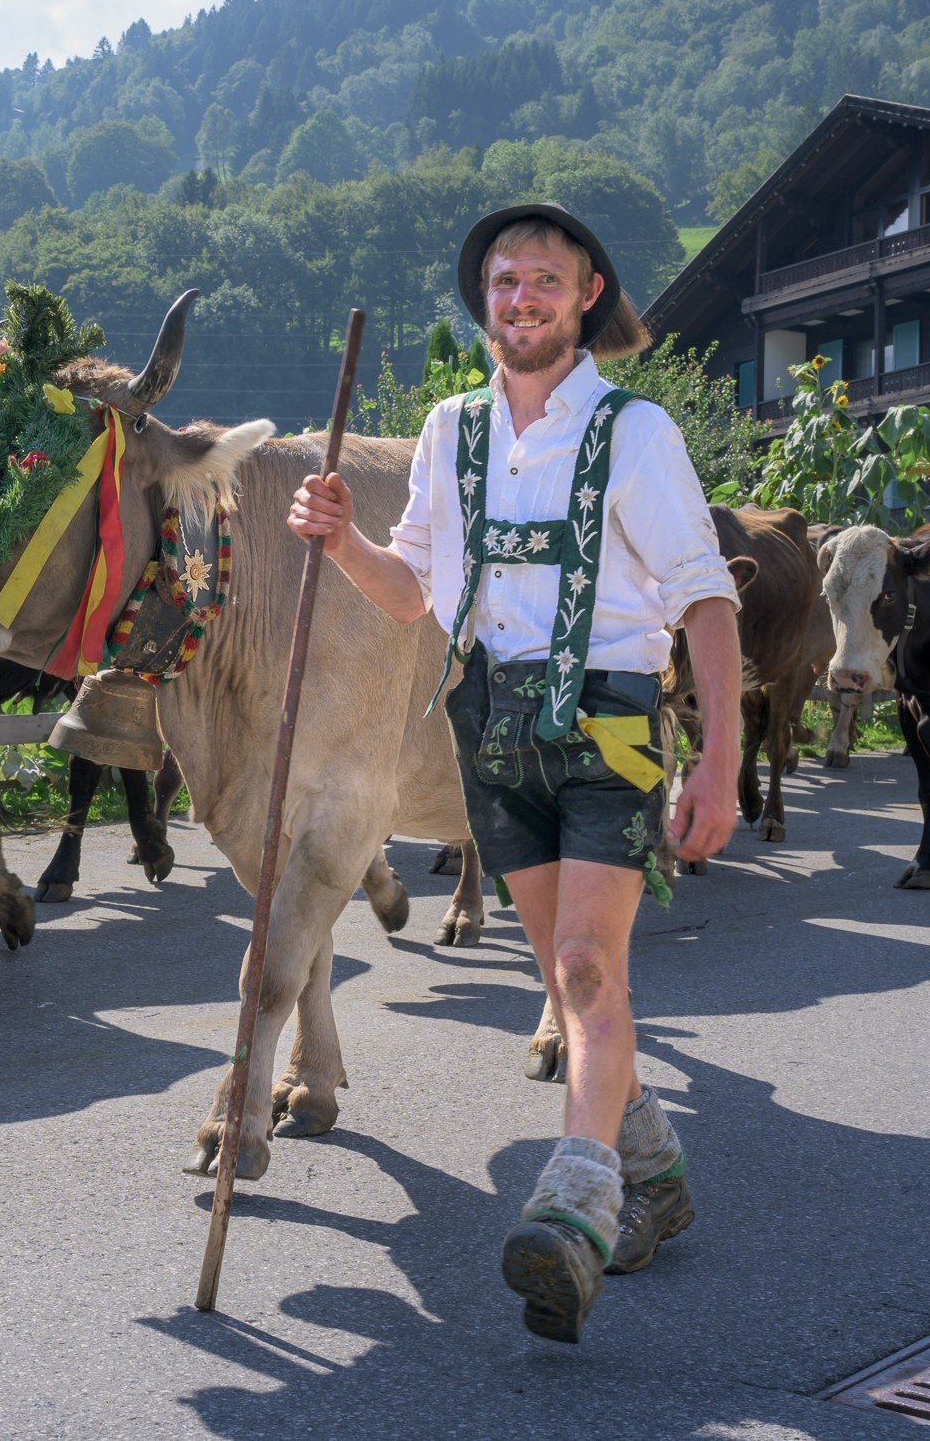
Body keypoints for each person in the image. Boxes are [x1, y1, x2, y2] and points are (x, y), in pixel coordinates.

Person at [286, 204, 743, 1344]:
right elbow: (412, 593)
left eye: (544, 277)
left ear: (588, 296)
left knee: (585, 967)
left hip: (610, 725)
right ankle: (657, 1172)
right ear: (482, 301)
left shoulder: (636, 432)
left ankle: (575, 1207)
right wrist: (341, 541)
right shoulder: (451, 429)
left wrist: (721, 763)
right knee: (568, 975)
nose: (521, 296)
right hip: (490, 725)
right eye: (502, 280)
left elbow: (705, 596)